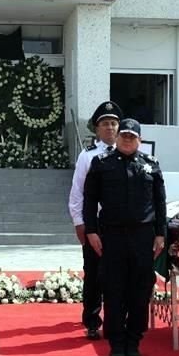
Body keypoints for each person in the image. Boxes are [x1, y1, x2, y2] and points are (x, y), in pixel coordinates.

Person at [83, 118, 166, 356]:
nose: (127, 140)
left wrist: (160, 233)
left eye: (132, 137)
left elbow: (160, 202)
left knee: (140, 290)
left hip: (143, 236)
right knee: (114, 289)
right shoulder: (101, 163)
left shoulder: (151, 165)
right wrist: (91, 231)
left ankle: (134, 340)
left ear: (139, 140)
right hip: (112, 235)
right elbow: (89, 199)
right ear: (118, 138)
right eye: (124, 136)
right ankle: (117, 342)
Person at [68, 100, 122, 341]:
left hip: (121, 224)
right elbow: (77, 192)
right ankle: (92, 320)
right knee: (93, 273)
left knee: (118, 273)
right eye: (105, 124)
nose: (110, 128)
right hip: (96, 224)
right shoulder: (87, 157)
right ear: (97, 129)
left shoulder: (128, 152)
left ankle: (117, 319)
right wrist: (80, 223)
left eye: (113, 123)